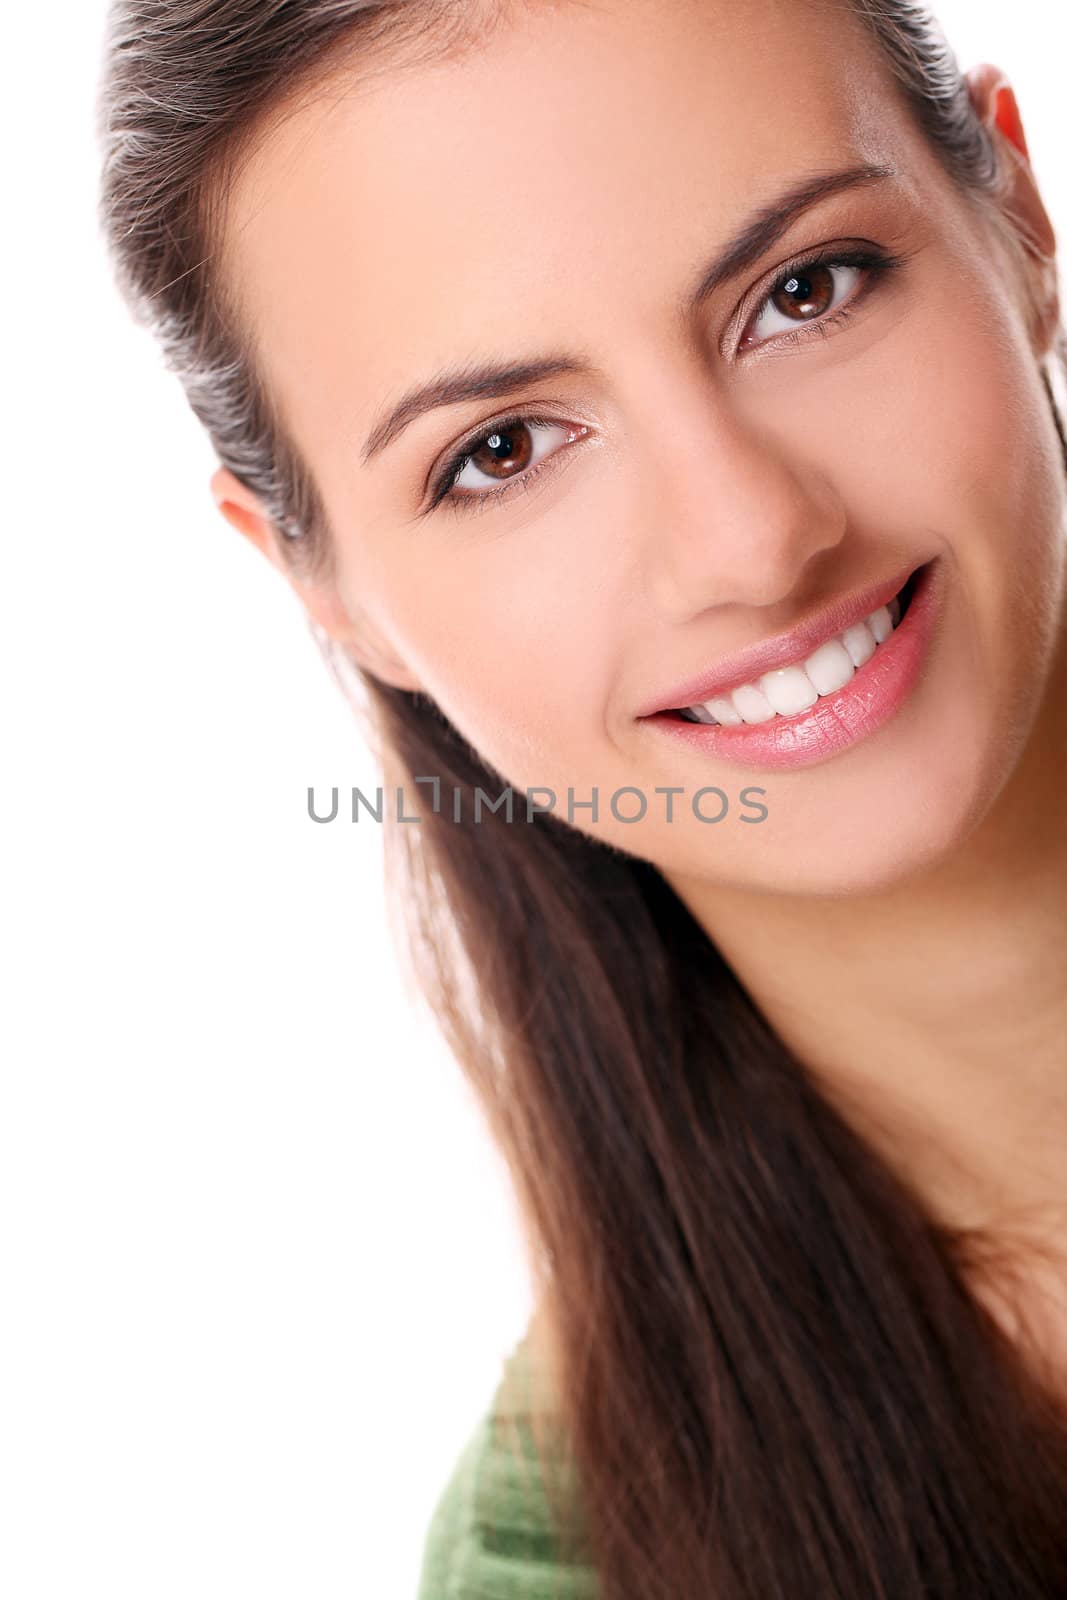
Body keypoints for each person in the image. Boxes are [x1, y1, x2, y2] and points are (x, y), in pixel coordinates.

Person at [96, 0, 1067, 1594]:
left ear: (1016, 220)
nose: (753, 537)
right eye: (504, 450)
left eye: (803, 291)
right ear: (321, 587)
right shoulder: (571, 1562)